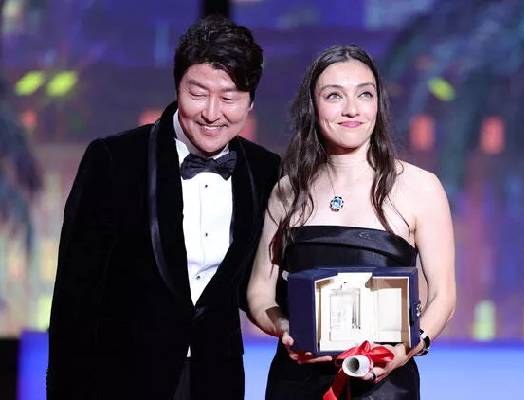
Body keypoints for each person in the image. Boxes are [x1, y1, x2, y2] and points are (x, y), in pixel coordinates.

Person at [47, 15, 280, 400]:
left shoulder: (264, 170)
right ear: (177, 87)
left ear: (250, 101)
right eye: (198, 93)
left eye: (228, 98)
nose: (211, 112)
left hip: (215, 378)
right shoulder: (115, 160)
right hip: (124, 378)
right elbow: (75, 298)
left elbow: (257, 282)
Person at [247, 44, 456, 399]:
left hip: (384, 384)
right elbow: (259, 292)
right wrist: (285, 328)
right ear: (312, 106)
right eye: (334, 96)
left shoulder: (420, 187)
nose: (352, 109)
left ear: (378, 104)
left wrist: (405, 351)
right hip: (296, 382)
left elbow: (444, 296)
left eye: (364, 94)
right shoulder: (287, 190)